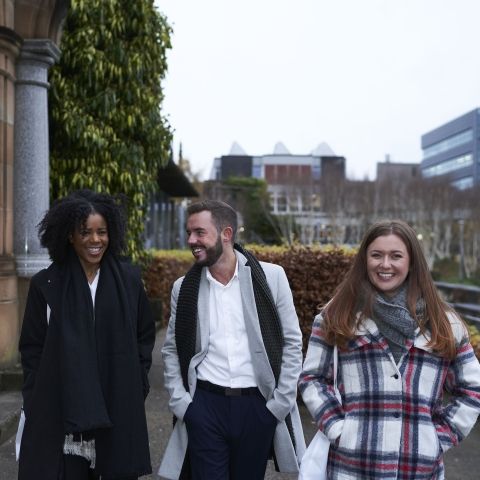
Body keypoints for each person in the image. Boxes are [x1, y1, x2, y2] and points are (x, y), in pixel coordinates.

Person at [299, 220, 480, 479]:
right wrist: (338, 428)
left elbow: (472, 388)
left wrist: (438, 437)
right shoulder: (336, 316)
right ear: (365, 260)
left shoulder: (444, 323)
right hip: (351, 467)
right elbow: (312, 378)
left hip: (418, 470)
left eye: (396, 256)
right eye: (376, 255)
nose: (385, 264)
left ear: (412, 262)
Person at [158, 200, 305, 480]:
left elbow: (292, 343)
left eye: (199, 233)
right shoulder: (184, 288)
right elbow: (171, 351)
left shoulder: (272, 278)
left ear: (226, 233)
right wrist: (184, 406)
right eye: (190, 233)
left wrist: (278, 406)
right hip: (205, 405)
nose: (191, 240)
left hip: (257, 406)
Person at [18, 189, 155, 480]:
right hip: (61, 415)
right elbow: (32, 347)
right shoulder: (46, 284)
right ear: (69, 236)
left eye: (102, 232)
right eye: (86, 232)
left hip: (117, 407)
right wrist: (36, 395)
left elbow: (144, 335)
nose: (95, 240)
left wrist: (137, 381)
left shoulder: (128, 280)